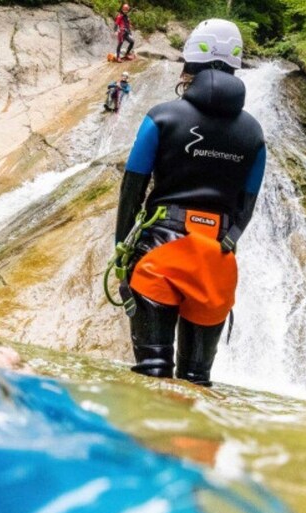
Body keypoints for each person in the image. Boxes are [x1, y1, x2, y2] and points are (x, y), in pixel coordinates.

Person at [113, 19, 266, 386]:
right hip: (216, 259)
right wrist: (230, 241)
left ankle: (146, 441)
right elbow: (247, 203)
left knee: (152, 375)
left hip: (159, 254)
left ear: (189, 62)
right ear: (236, 64)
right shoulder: (254, 133)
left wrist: (121, 250)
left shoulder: (162, 118)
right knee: (197, 381)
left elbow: (132, 188)